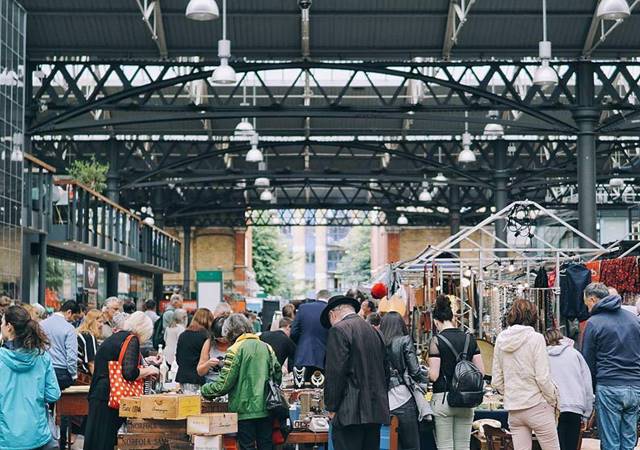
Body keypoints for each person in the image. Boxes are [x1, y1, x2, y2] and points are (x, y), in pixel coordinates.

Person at [201, 314, 281, 450]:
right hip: (268, 408)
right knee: (266, 445)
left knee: (247, 446)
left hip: (244, 410)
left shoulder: (235, 349)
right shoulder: (266, 347)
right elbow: (277, 375)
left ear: (230, 331)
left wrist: (205, 390)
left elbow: (224, 384)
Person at [322, 295, 390, 450]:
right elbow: (386, 371)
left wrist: (331, 407)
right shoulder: (375, 332)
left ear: (333, 314)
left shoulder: (339, 330)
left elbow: (335, 373)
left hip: (349, 412)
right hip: (374, 410)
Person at [83, 312, 159, 450]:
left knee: (96, 441)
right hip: (109, 397)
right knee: (105, 442)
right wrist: (150, 370)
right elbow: (130, 373)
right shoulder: (131, 339)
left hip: (100, 394)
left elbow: (121, 363)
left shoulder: (118, 337)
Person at [492, 299, 560, 450]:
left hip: (514, 409)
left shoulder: (501, 340)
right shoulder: (536, 338)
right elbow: (542, 377)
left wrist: (510, 392)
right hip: (537, 405)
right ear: (533, 316)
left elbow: (496, 381)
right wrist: (552, 399)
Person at [582, 282, 640, 450]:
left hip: (609, 385)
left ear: (592, 299)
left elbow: (588, 362)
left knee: (610, 442)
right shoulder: (633, 320)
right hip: (635, 386)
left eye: (587, 304)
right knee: (628, 440)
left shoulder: (594, 323)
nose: (587, 309)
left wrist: (590, 392)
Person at [0, 305, 61, 450]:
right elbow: (53, 394)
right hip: (37, 435)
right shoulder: (42, 357)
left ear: (9, 327)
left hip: (6, 438)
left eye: (2, 322)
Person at [428, 295, 484, 450]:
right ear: (452, 318)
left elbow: (434, 375)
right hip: (466, 400)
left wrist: (425, 372)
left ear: (436, 321)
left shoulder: (436, 341)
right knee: (463, 446)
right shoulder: (470, 339)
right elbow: (481, 372)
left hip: (444, 399)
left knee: (445, 446)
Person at [381, 311, 428, 450]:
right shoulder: (404, 340)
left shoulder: (377, 341)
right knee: (411, 445)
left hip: (383, 401)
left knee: (389, 444)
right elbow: (415, 370)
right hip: (403, 397)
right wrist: (425, 376)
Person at [544, 329, 593, 450]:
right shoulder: (575, 354)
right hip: (575, 407)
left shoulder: (542, 356)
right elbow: (587, 383)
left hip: (553, 408)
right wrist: (587, 413)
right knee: (571, 445)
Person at [40, 300, 81, 390]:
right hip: (61, 372)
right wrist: (73, 375)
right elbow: (71, 355)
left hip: (43, 369)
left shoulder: (41, 324)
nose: (74, 320)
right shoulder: (69, 328)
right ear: (69, 312)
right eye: (75, 317)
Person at [291, 289, 330, 380]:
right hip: (323, 358)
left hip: (302, 355)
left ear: (317, 297)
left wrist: (300, 344)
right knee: (319, 390)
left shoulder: (303, 307)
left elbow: (294, 332)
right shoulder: (330, 310)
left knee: (300, 389)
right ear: (329, 298)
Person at [175, 308, 213, 391]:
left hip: (183, 377)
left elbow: (178, 358)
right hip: (198, 378)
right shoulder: (206, 337)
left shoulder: (183, 335)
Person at [197, 316, 229, 384]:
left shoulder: (236, 343)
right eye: (219, 338)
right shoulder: (209, 343)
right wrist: (208, 364)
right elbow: (200, 371)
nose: (222, 340)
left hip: (230, 383)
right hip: (212, 383)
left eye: (224, 338)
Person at [77, 309, 103, 376]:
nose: (102, 325)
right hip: (83, 374)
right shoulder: (89, 337)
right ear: (92, 322)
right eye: (100, 322)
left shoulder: (81, 333)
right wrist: (96, 380)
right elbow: (91, 363)